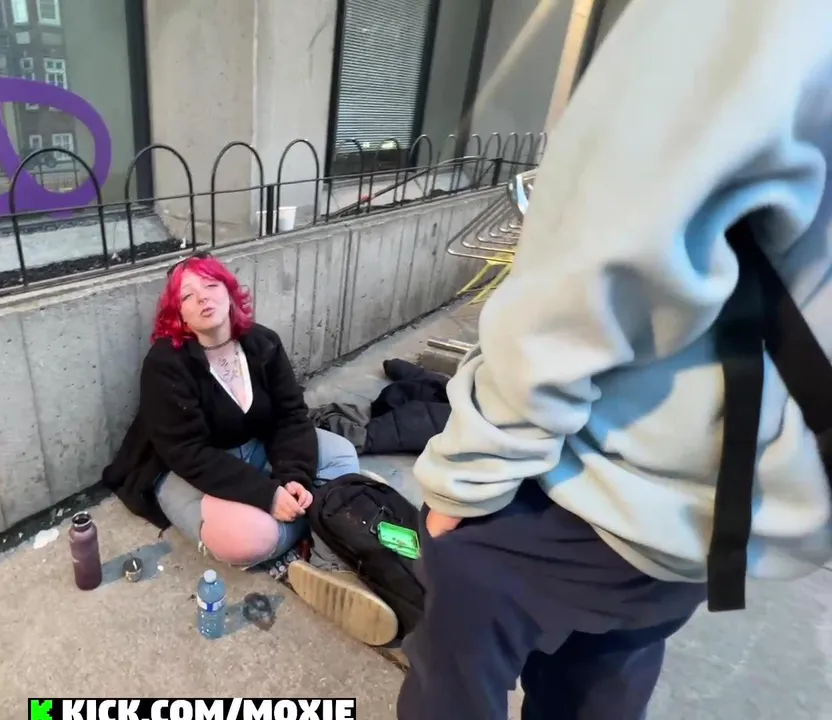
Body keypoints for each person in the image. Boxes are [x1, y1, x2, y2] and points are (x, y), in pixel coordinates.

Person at [396, 0, 832, 717]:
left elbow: (594, 268)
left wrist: (466, 477)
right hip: (741, 501)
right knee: (610, 655)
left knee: (461, 635)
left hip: (621, 475)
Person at [100, 252, 398, 642]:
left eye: (211, 285)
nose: (202, 298)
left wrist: (294, 477)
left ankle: (328, 554)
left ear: (229, 292)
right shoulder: (165, 364)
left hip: (251, 445)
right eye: (187, 296)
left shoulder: (262, 343)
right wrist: (267, 494)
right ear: (178, 315)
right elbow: (186, 452)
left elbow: (290, 416)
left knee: (341, 452)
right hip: (183, 469)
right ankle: (332, 513)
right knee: (250, 539)